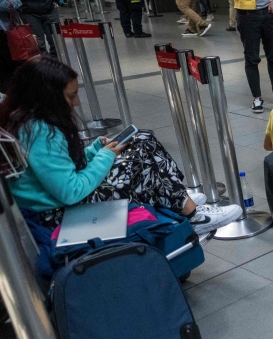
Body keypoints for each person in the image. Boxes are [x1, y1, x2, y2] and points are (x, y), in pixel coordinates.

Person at [0, 58, 241, 233]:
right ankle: (191, 214)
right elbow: (69, 192)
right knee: (140, 157)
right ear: (48, 97)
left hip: (54, 203)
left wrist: (95, 149)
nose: (76, 102)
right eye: (70, 96)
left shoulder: (22, 118)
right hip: (56, 214)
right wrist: (104, 156)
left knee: (141, 139)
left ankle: (177, 196)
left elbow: (59, 167)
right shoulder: (41, 131)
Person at [0, 0, 23, 93]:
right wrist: (17, 1)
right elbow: (3, 5)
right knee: (11, 61)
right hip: (3, 31)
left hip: (4, 29)